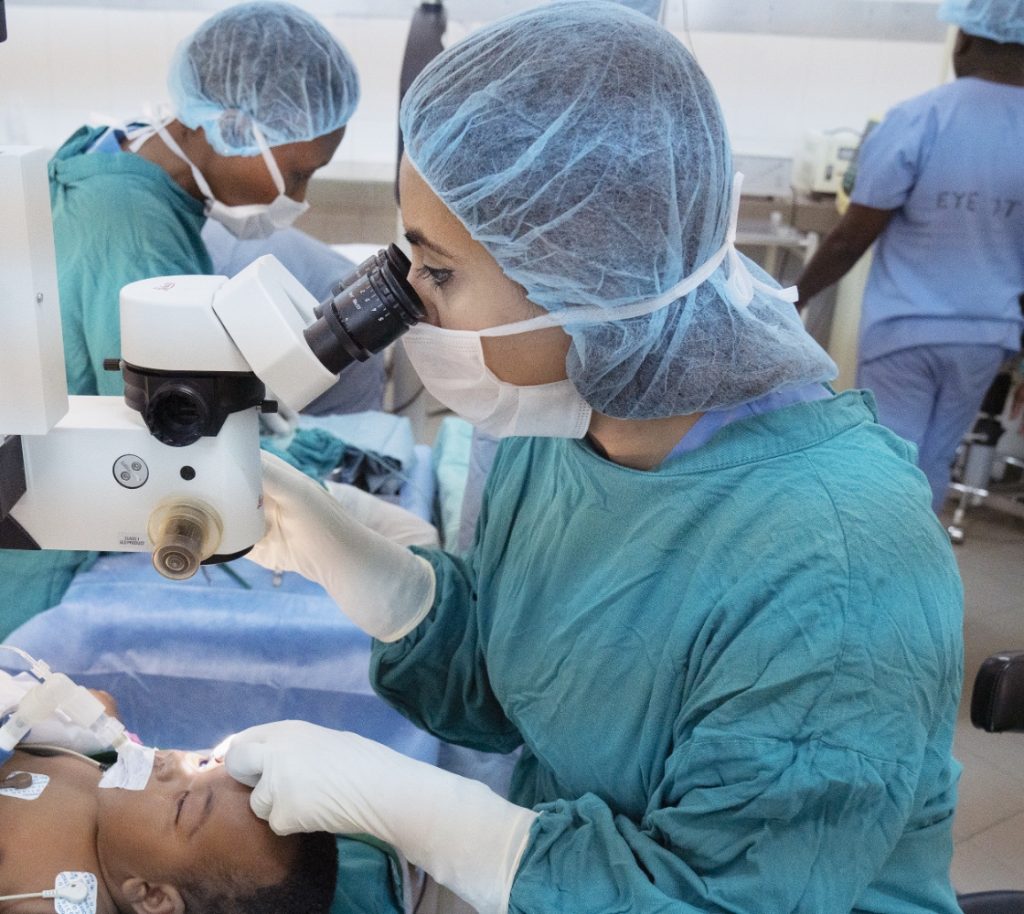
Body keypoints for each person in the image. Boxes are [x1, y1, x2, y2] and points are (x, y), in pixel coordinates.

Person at [222, 3, 963, 913]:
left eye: (440, 272)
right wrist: (392, 586)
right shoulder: (565, 431)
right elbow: (519, 692)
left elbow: (723, 899)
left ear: (588, 277)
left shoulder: (840, 561)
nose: (408, 304)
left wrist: (430, 815)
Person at [0, 0, 359, 639]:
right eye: (298, 172)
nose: (298, 198)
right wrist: (288, 461)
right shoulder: (134, 233)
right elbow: (176, 434)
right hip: (50, 561)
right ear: (230, 125)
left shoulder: (119, 149)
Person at [795, 0, 1024, 513]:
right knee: (936, 459)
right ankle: (922, 564)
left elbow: (851, 237)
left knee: (890, 457)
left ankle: (880, 572)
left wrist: (793, 298)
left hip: (906, 331)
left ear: (963, 39)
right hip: (986, 336)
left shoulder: (920, 117)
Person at [0, 746, 339, 914]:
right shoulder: (112, 793)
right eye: (204, 762)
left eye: (182, 804)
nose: (172, 760)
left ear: (153, 896)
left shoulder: (46, 901)